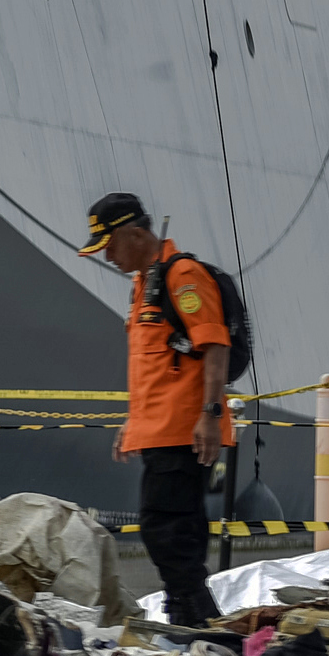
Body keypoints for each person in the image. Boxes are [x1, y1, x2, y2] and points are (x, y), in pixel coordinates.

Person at [81, 191, 230, 629]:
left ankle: (194, 621)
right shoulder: (145, 282)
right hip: (161, 430)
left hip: (186, 430)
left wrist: (210, 413)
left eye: (109, 244)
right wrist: (135, 422)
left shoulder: (182, 275)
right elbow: (157, 363)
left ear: (134, 233)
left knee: (166, 528)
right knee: (174, 531)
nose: (106, 255)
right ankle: (189, 618)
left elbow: (215, 343)